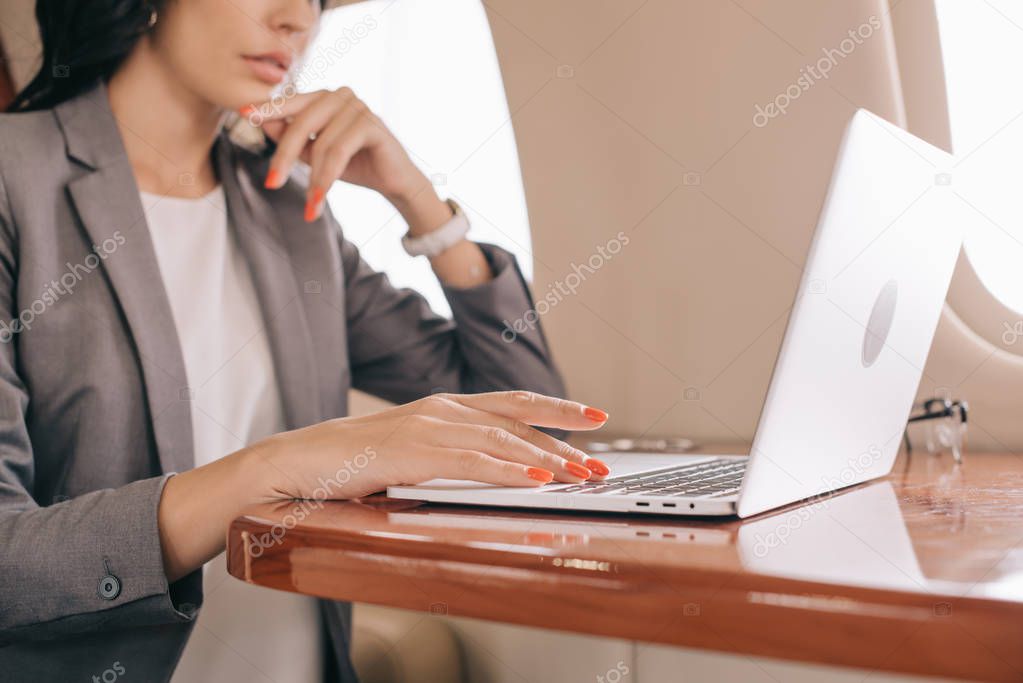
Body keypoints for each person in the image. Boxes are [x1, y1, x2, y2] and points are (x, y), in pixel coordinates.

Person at [0, 1, 610, 680]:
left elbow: (532, 422)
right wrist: (270, 468)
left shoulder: (290, 207)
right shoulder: (13, 179)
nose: (297, 18)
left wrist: (419, 201)